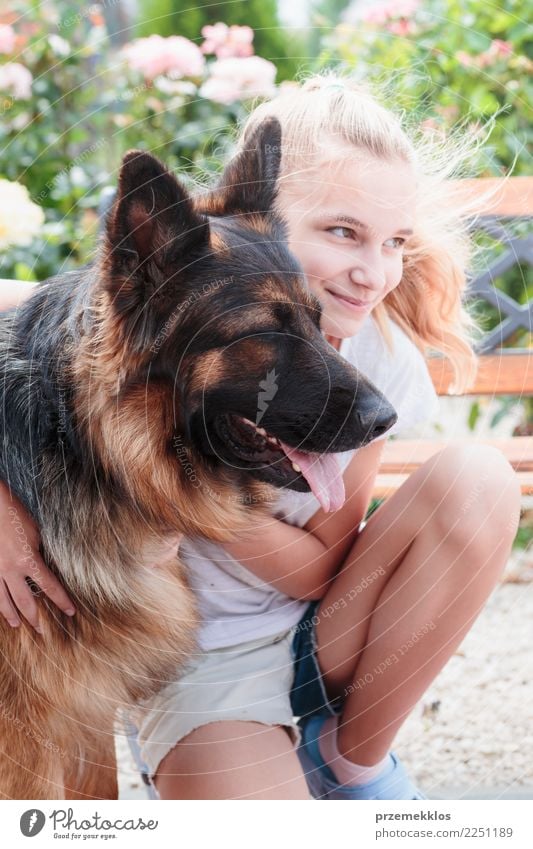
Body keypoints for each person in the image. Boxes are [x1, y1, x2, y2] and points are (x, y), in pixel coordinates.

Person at [0, 73, 521, 801]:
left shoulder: (378, 357)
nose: (372, 271)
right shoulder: (166, 312)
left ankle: (352, 758)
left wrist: (176, 496)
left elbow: (319, 569)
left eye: (394, 241)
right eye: (343, 231)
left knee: (479, 477)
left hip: (327, 636)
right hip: (211, 669)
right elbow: (34, 338)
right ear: (269, 219)